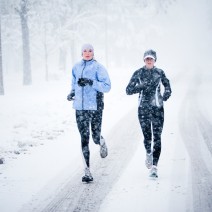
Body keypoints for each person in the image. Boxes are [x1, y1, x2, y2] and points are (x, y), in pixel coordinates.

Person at [67, 43, 111, 183]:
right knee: (84, 138)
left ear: (93, 52)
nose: (87, 53)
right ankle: (87, 171)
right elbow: (74, 83)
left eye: (90, 50)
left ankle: (101, 141)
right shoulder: (76, 67)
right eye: (84, 51)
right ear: (81, 53)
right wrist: (72, 93)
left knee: (95, 137)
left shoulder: (98, 67)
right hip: (80, 108)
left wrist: (91, 82)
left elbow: (107, 86)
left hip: (95, 107)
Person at [126, 49, 171, 178]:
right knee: (147, 137)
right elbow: (128, 90)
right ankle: (148, 153)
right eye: (147, 59)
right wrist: (140, 86)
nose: (149, 60)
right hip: (143, 109)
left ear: (155, 60)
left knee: (157, 137)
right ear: (144, 60)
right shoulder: (138, 73)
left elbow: (167, 85)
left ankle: (154, 167)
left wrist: (166, 93)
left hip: (157, 109)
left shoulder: (159, 72)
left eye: (151, 58)